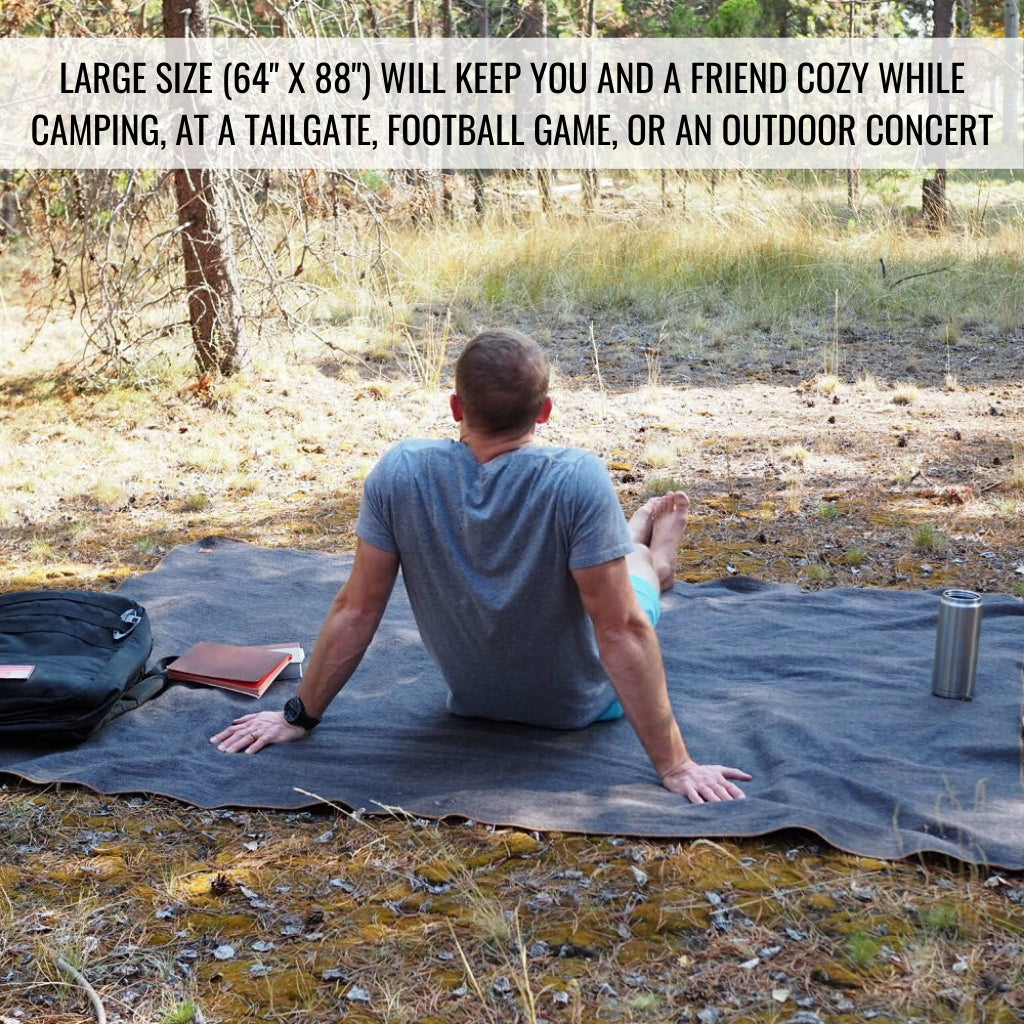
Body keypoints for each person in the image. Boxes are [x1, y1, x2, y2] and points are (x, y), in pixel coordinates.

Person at [211, 329, 751, 804]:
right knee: (637, 582)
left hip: (474, 701)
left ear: (456, 407)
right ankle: (653, 557)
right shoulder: (577, 478)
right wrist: (676, 766)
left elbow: (357, 609)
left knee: (624, 566)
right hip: (582, 707)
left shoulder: (400, 472)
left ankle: (637, 545)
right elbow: (624, 630)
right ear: (545, 411)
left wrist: (298, 717)